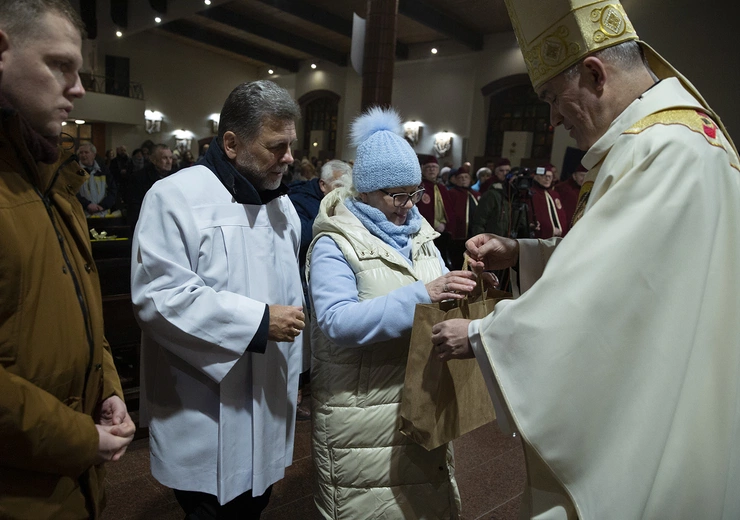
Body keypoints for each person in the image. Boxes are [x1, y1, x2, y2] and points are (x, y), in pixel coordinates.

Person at [432, 0, 740, 518]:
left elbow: (608, 294)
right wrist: (523, 253)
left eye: (553, 98)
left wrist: (486, 336)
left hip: (663, 410)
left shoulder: (662, 151)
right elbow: (631, 268)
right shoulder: (675, 141)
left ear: (595, 74)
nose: (552, 120)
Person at [131, 80, 305, 518]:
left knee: (256, 504)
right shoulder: (174, 197)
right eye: (276, 146)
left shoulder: (283, 209)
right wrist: (259, 322)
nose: (289, 158)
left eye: (291, 145)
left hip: (267, 400)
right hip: (202, 402)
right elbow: (160, 296)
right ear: (231, 143)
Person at [0, 0, 135, 517]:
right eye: (60, 65)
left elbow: (83, 313)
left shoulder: (56, 184)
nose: (78, 88)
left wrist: (107, 387)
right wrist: (79, 436)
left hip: (66, 485)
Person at [307, 107, 476, 519]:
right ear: (365, 190)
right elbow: (336, 322)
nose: (407, 206)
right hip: (362, 415)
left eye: (413, 193)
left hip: (421, 400)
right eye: (395, 195)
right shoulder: (335, 242)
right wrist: (423, 293)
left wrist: (466, 284)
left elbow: (436, 294)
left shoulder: (420, 233)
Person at [128, 143, 173, 227]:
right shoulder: (139, 178)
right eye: (164, 158)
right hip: (149, 224)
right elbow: (135, 207)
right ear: (153, 160)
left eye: (170, 158)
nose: (169, 162)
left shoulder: (176, 176)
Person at [76, 142, 119, 217]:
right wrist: (87, 205)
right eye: (81, 153)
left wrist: (102, 206)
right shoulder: (74, 171)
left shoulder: (103, 170)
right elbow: (72, 193)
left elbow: (112, 190)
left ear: (94, 155)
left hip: (103, 214)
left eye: (86, 152)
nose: (83, 155)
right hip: (82, 215)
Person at [527, 164, 568, 238]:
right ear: (535, 177)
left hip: (557, 237)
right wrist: (550, 229)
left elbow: (561, 216)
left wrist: (561, 230)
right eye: (543, 176)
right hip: (538, 236)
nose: (547, 179)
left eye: (550, 176)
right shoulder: (531, 193)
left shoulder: (554, 194)